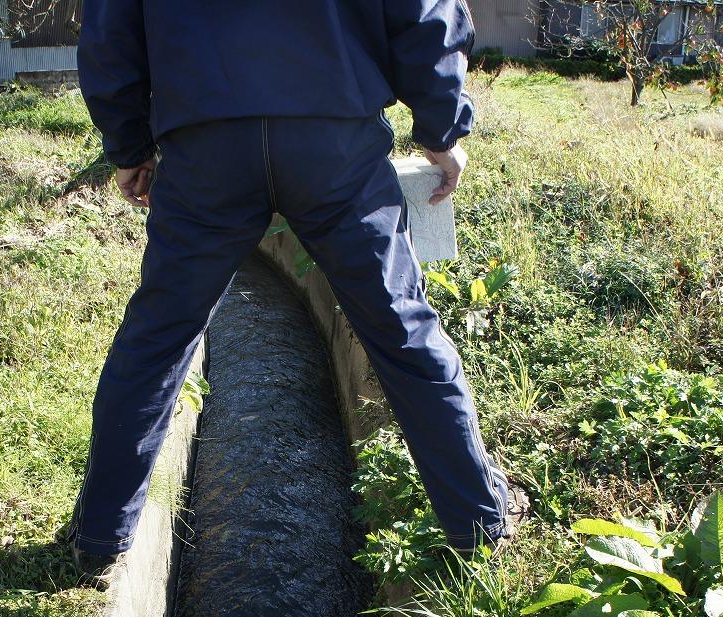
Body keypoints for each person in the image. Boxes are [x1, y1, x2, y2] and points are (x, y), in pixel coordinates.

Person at [67, 0, 525, 587]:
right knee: (401, 329)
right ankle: (480, 521)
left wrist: (129, 146)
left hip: (206, 140)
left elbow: (110, 33)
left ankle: (101, 534)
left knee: (158, 336)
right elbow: (425, 13)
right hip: (334, 137)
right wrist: (441, 129)